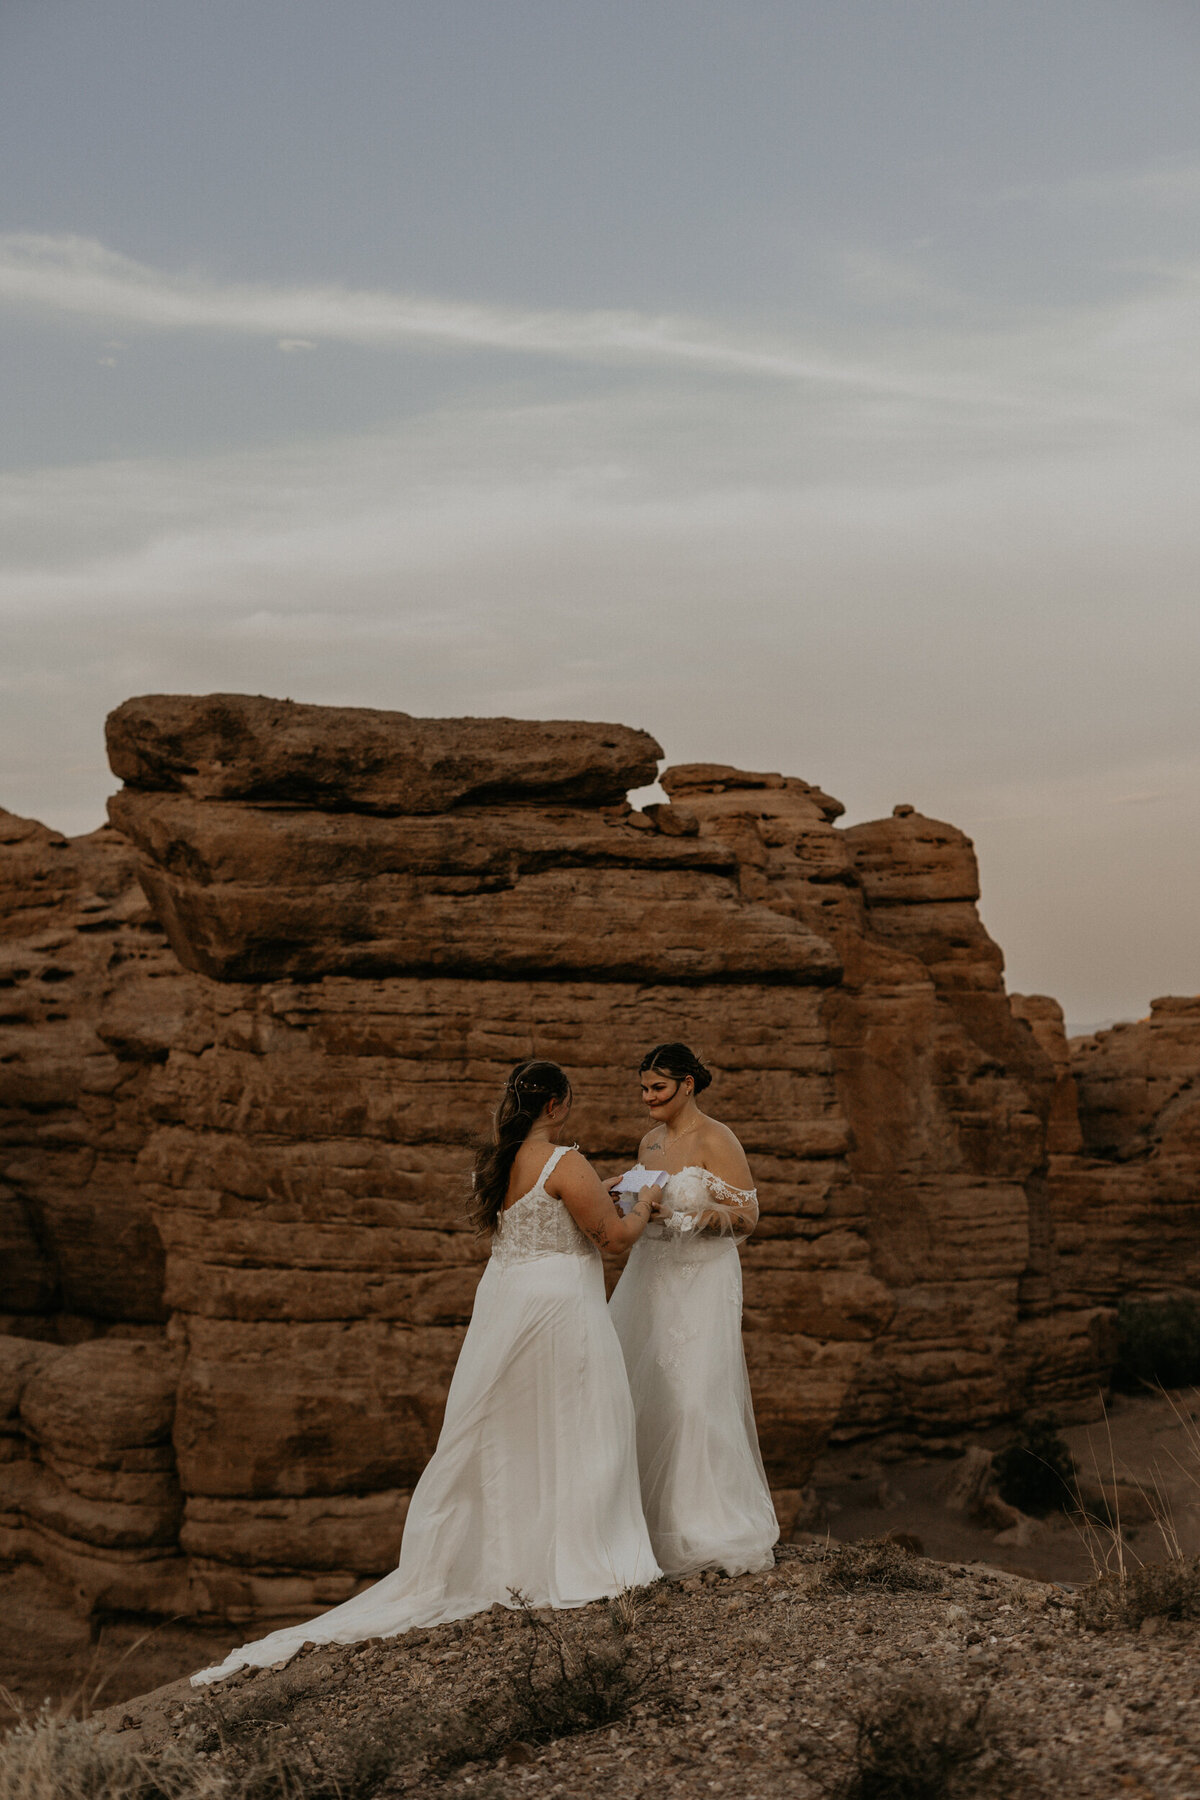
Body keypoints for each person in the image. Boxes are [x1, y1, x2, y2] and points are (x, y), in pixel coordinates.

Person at [193, 1058, 662, 1685]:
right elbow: (613, 1240)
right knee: (581, 1420)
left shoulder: (495, 1161)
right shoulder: (565, 1162)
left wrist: (594, 1192)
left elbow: (543, 1216)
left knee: (511, 1431)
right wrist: (645, 1202)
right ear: (556, 1105)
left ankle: (510, 1553)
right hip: (559, 1308)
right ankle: (578, 1555)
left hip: (505, 1303)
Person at [607, 1042, 779, 1578]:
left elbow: (748, 1213)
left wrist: (691, 1220)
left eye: (656, 1087)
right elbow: (640, 1195)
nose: (647, 1098)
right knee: (645, 1391)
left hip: (702, 1278)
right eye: (643, 1088)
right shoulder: (649, 1142)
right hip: (652, 1275)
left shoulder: (716, 1138)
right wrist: (619, 1197)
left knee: (696, 1397)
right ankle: (642, 1530)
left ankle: (706, 1527)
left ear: (687, 1085)